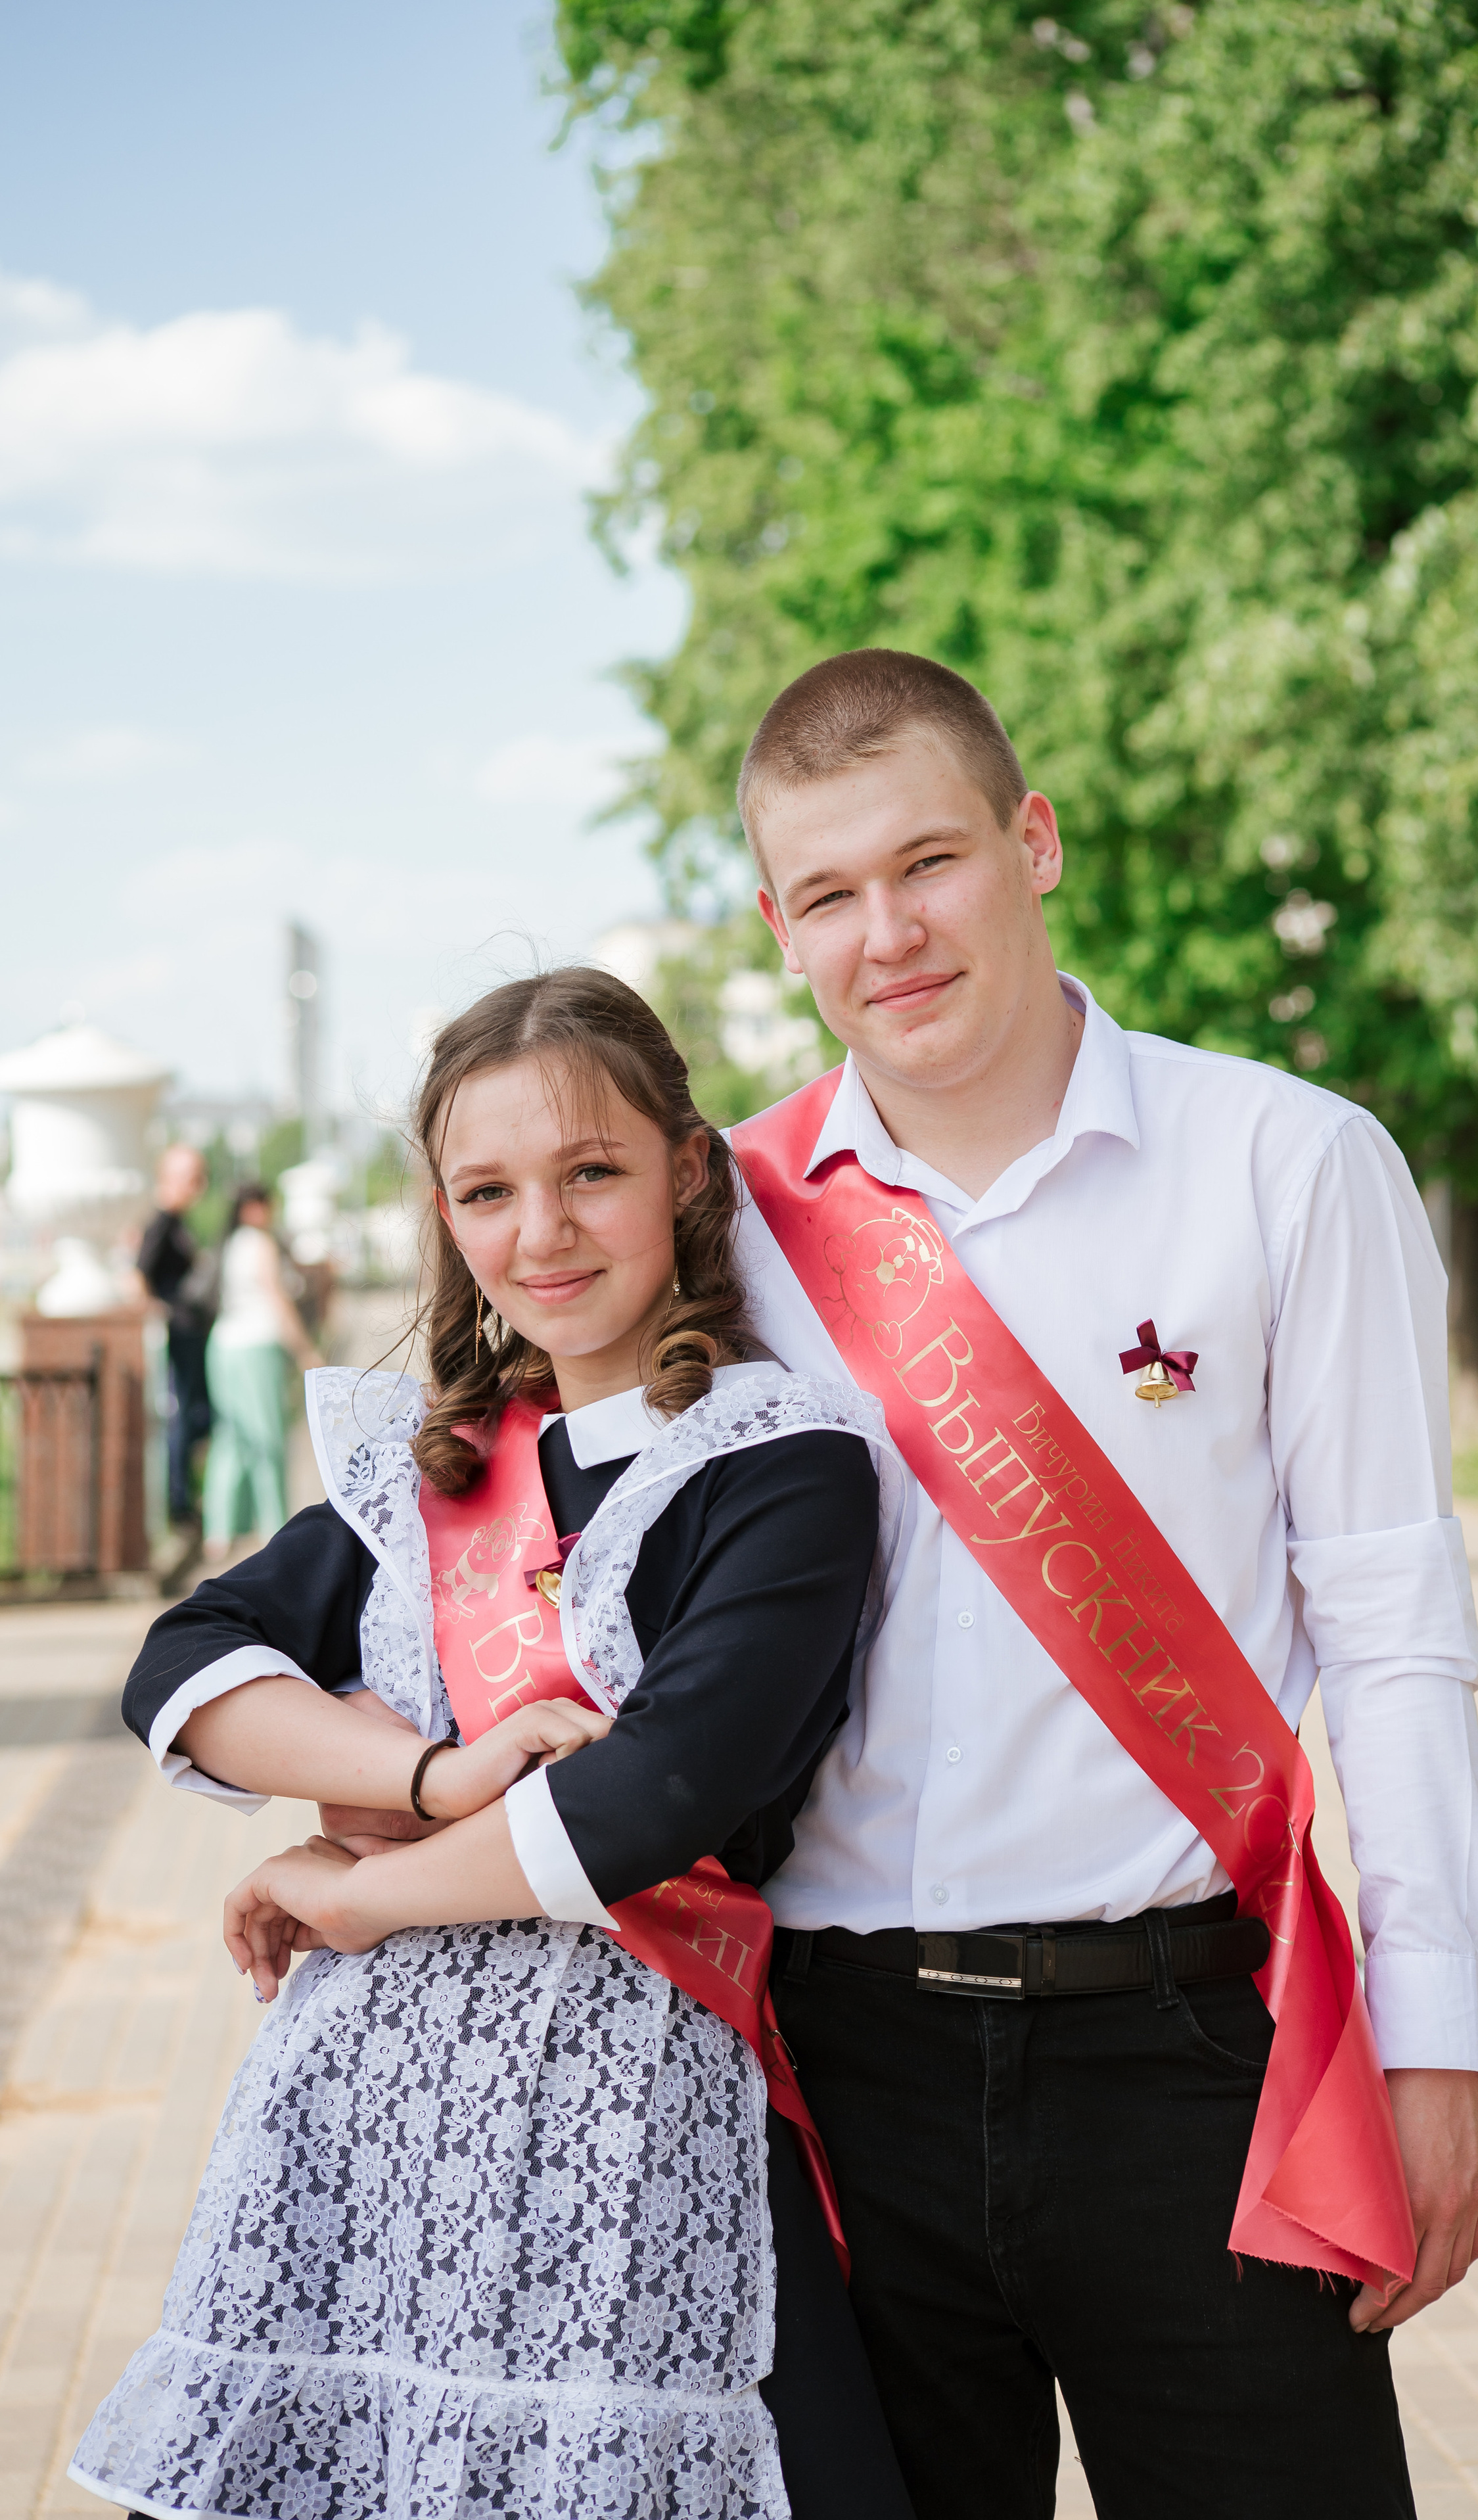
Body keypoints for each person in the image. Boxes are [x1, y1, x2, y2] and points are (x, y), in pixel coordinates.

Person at [703, 649, 1478, 2519]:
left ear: (1032, 839)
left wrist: (1438, 2042)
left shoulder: (1289, 1163)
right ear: (777, 925)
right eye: (827, 893)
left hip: (1196, 2064)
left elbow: (1393, 1635)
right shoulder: (727, 1225)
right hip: (838, 2071)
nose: (887, 932)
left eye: (931, 862)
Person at [70, 970, 914, 2520]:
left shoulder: (778, 1462)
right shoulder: (427, 1473)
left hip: (645, 2108)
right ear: (447, 1218)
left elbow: (649, 1794)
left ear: (682, 1167)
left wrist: (349, 1892)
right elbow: (183, 1662)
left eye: (589, 1170)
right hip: (366, 2135)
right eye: (488, 1189)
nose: (544, 1230)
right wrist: (424, 1776)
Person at [200, 1182, 322, 1563]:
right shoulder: (260, 1243)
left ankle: (217, 1533)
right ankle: (275, 1530)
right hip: (257, 1347)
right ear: (255, 1207)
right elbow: (276, 1296)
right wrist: (305, 1349)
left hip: (222, 1346)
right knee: (268, 1440)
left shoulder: (228, 1243)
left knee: (231, 1438)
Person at [135, 1144, 214, 1529]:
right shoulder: (163, 1221)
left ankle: (184, 1499)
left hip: (189, 1333)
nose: (199, 1185)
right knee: (183, 1414)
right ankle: (179, 1503)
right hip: (178, 1335)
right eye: (193, 1177)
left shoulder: (176, 1221)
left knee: (193, 1414)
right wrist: (159, 1314)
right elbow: (139, 1275)